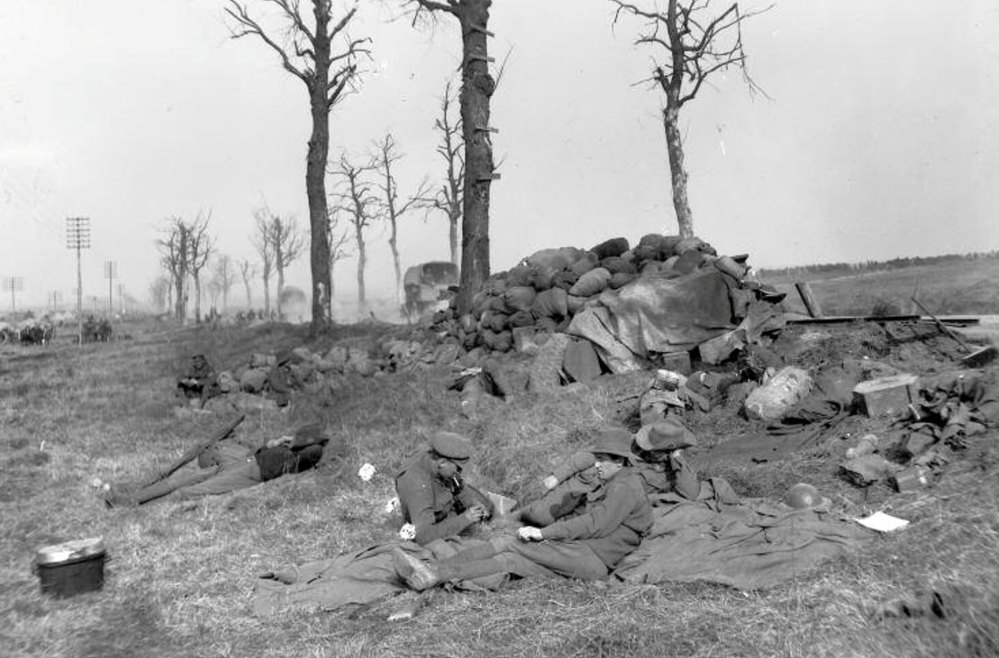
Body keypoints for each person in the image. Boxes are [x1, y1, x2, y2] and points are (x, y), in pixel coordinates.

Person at [392, 428, 653, 589]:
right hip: (585, 558)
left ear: (620, 462)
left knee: (510, 542)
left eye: (603, 460)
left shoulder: (624, 487)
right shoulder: (618, 481)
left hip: (590, 558)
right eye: (597, 459)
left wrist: (545, 534)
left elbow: (594, 524)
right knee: (509, 560)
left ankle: (433, 570)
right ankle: (432, 575)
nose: (596, 465)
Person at [516, 419, 699, 528]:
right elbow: (590, 454)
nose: (646, 449)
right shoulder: (631, 442)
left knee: (556, 530)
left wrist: (677, 459)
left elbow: (689, 494)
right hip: (582, 485)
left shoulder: (672, 472)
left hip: (599, 506)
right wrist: (556, 476)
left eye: (655, 449)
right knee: (536, 514)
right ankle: (510, 515)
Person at [104, 424, 341, 507]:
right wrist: (276, 442)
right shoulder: (289, 449)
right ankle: (130, 499)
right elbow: (264, 451)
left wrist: (298, 443)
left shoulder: (312, 452)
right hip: (244, 462)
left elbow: (311, 454)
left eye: (301, 438)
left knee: (190, 491)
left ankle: (144, 509)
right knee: (179, 480)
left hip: (250, 474)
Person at [394, 431, 494, 546]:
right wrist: (465, 519)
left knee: (488, 507)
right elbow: (423, 536)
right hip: (427, 516)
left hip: (440, 489)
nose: (459, 473)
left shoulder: (438, 459)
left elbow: (459, 485)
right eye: (458, 469)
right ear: (442, 462)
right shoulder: (417, 487)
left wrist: (471, 502)